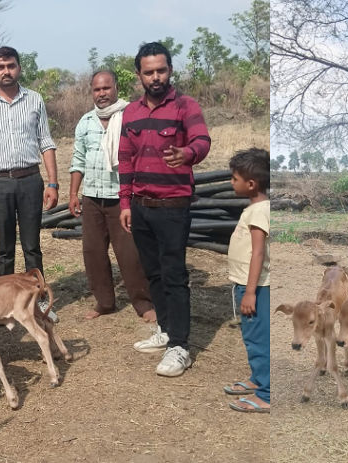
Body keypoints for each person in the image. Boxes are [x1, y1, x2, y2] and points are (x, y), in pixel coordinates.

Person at [119, 42, 211, 377]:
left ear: (170, 70)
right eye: (149, 72)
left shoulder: (186, 106)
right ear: (139, 75)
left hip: (173, 206)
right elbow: (125, 159)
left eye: (161, 70)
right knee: (153, 273)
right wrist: (126, 203)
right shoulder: (131, 112)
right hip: (141, 207)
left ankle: (181, 346)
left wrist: (187, 154)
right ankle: (166, 329)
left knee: (174, 275)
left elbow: (202, 141)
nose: (155, 77)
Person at [0, 46, 59, 322]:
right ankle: (5, 306)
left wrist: (52, 182)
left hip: (30, 180)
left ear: (19, 68)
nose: (6, 71)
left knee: (32, 247)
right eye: (0, 67)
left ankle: (39, 303)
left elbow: (46, 142)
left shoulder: (35, 100)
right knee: (5, 248)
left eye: (11, 66)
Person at [68, 70, 155, 322]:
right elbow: (78, 159)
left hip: (123, 198)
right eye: (97, 89)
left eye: (106, 88)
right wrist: (74, 193)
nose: (102, 93)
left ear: (116, 88)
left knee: (130, 254)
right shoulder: (86, 122)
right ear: (92, 92)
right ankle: (104, 302)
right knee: (93, 252)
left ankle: (143, 303)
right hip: (93, 197)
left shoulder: (131, 116)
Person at [222, 148, 271, 413]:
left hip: (257, 287)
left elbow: (258, 252)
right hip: (248, 284)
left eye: (234, 178)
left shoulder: (259, 212)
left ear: (251, 184)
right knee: (252, 335)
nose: (231, 182)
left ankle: (268, 393)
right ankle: (258, 378)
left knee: (259, 337)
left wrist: (250, 292)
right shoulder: (255, 208)